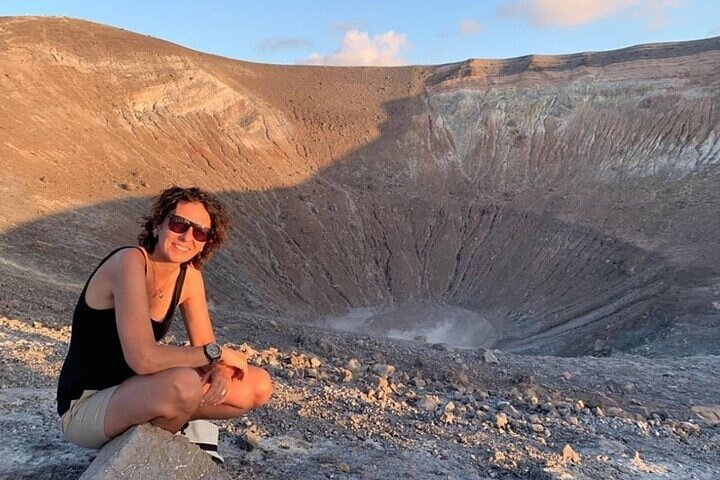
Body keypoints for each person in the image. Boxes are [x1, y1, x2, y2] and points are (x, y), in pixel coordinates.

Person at [56, 186, 272, 449]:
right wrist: (218, 354)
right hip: (87, 405)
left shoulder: (189, 276)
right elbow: (143, 358)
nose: (187, 237)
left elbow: (207, 350)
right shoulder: (129, 263)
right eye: (179, 224)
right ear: (158, 225)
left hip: (139, 390)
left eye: (200, 232)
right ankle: (143, 453)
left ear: (206, 243)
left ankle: (167, 424)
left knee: (258, 384)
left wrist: (221, 371)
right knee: (184, 384)